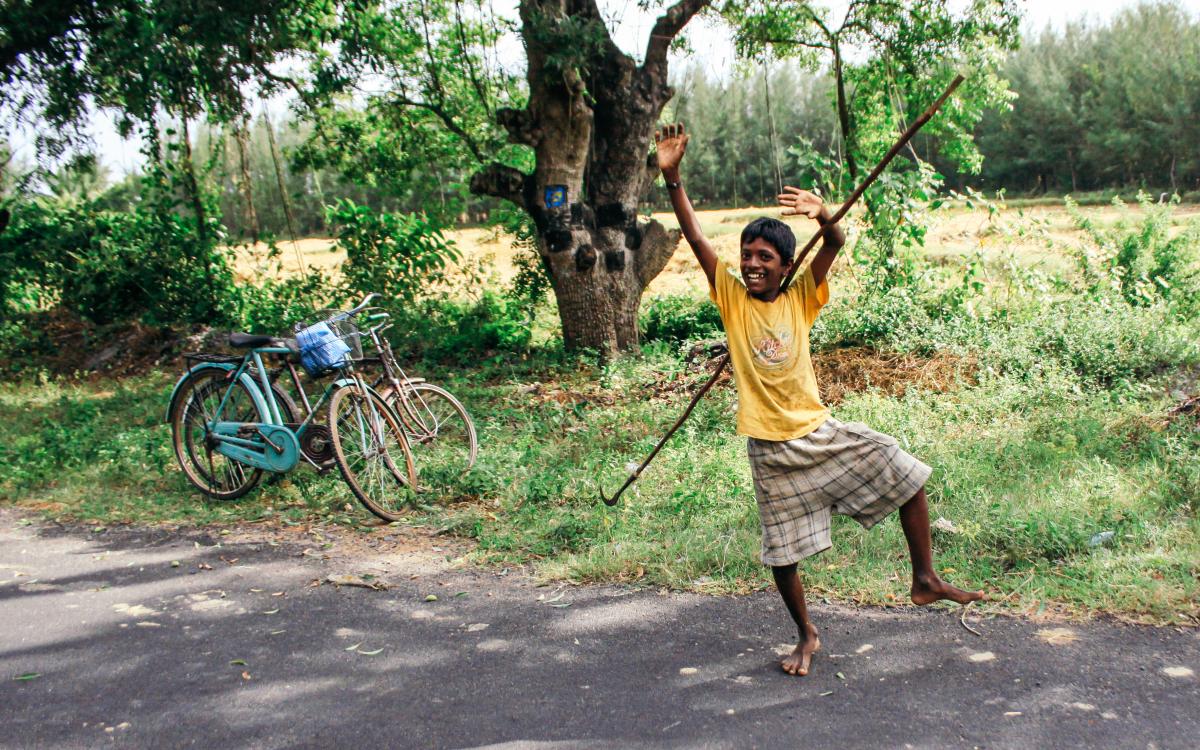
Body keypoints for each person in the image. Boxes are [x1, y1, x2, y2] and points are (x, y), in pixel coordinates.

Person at [655, 122, 983, 677]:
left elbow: (834, 243)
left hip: (819, 432)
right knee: (782, 555)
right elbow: (695, 238)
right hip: (771, 448)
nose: (753, 264)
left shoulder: (804, 294)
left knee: (906, 472)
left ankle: (924, 578)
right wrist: (673, 178)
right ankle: (806, 634)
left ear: (786, 267)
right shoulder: (732, 298)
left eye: (765, 257)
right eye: (747, 255)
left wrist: (822, 213)